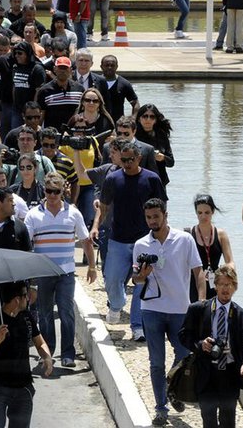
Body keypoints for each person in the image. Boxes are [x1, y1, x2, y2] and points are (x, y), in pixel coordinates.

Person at [133, 198, 205, 426]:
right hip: (151, 309)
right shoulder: (141, 244)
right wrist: (142, 275)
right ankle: (161, 407)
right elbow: (135, 279)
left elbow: (198, 272)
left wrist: (201, 303)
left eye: (156, 216)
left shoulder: (184, 239)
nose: (152, 221)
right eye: (148, 217)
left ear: (165, 214)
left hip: (180, 309)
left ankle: (172, 388)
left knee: (184, 355)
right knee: (156, 362)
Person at [95, 141, 166, 340]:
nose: (126, 163)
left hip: (144, 240)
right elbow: (104, 206)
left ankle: (137, 327)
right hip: (117, 239)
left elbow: (162, 209)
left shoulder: (152, 179)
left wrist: (163, 234)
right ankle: (117, 305)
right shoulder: (112, 179)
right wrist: (95, 227)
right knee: (111, 280)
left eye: (130, 160)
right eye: (123, 159)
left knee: (141, 284)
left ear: (139, 158)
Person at [24, 172, 96, 367]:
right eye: (49, 191)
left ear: (63, 190)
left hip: (65, 273)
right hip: (43, 273)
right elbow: (26, 245)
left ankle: (67, 354)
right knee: (45, 314)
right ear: (45, 191)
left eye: (56, 191)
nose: (53, 195)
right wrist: (29, 277)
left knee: (66, 313)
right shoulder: (33, 215)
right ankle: (48, 353)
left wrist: (92, 266)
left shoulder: (73, 213)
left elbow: (86, 241)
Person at [179, 265, 243, 428]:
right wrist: (201, 345)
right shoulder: (198, 309)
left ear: (235, 287)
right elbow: (184, 336)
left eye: (229, 284)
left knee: (228, 419)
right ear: (215, 286)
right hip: (206, 372)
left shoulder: (241, 315)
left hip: (229, 374)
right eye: (221, 284)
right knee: (208, 418)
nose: (225, 288)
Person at [0, 281, 54, 428]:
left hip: (23, 388)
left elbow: (39, 342)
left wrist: (47, 357)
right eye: (25, 295)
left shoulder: (26, 317)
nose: (28, 298)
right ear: (17, 299)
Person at [189, 195, 235, 305]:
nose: (203, 216)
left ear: (213, 212)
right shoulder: (188, 234)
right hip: (193, 282)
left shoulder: (221, 234)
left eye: (207, 212)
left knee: (215, 317)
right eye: (199, 213)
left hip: (215, 282)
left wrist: (223, 272)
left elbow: (230, 262)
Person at [134, 104, 174, 185]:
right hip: (138, 179)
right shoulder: (133, 135)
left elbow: (171, 162)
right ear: (139, 119)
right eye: (145, 116)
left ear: (155, 120)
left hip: (159, 180)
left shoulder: (161, 135)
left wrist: (163, 158)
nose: (148, 119)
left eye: (152, 117)